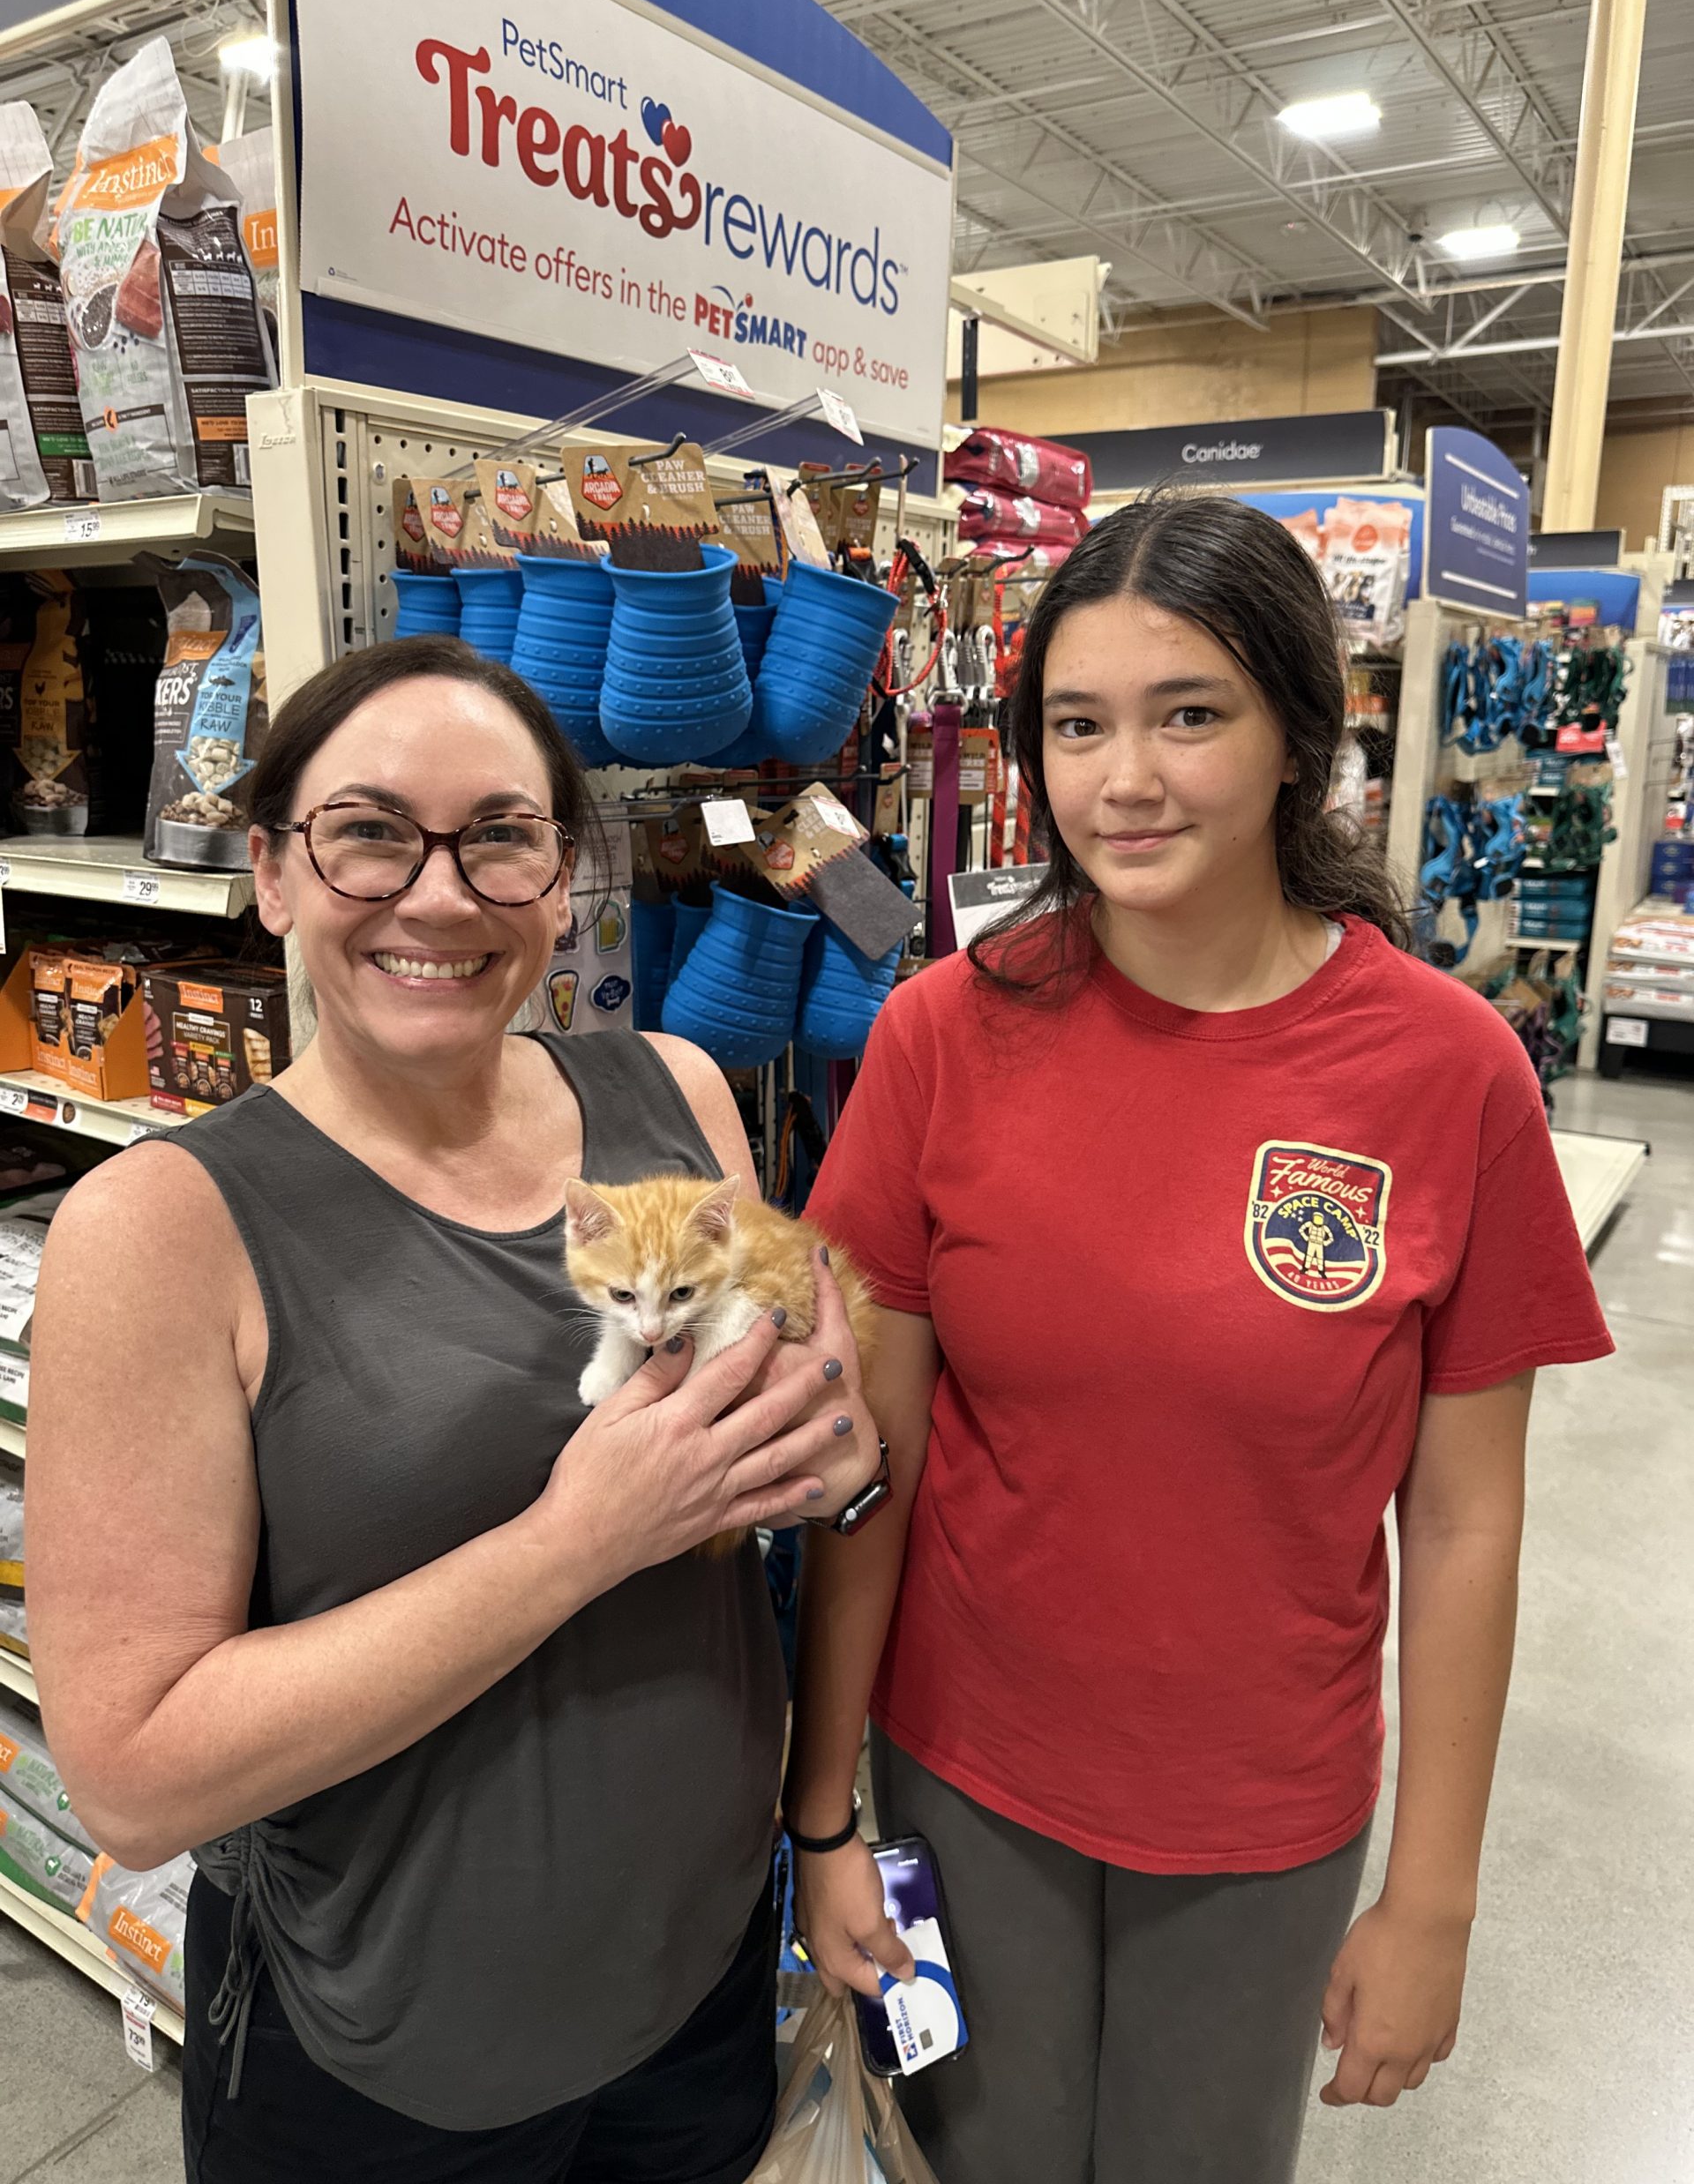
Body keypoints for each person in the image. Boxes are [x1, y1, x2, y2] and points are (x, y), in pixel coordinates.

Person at [788, 494, 1613, 2184]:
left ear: (1299, 737)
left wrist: (1435, 1899)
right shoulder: (942, 1036)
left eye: (1189, 715)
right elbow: (872, 1468)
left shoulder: (1448, 1073)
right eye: (1077, 725)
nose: (1125, 780)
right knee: (964, 2163)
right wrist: (823, 1817)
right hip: (958, 1780)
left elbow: (1466, 1519)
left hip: (1262, 1812)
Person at [25, 636, 888, 2183]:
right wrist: (576, 1540)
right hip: (385, 2056)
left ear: (559, 883)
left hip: (696, 1981)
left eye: (499, 835)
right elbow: (135, 1779)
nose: (438, 896)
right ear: (272, 872)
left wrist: (833, 1457)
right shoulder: (162, 1230)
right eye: (368, 833)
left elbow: (799, 1445)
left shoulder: (676, 1096)